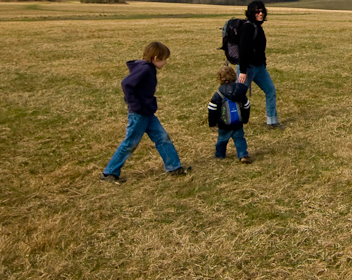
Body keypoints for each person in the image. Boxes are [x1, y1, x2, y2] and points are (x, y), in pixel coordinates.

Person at [101, 41, 190, 182]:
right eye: (164, 59)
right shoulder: (145, 69)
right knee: (130, 143)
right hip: (139, 114)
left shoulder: (149, 68)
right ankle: (110, 173)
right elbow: (126, 84)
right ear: (155, 58)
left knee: (162, 138)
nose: (165, 62)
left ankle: (174, 167)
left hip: (148, 112)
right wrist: (135, 105)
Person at [236, 1, 282, 128]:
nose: (260, 14)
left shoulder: (258, 27)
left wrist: (263, 63)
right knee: (236, 95)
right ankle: (228, 121)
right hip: (247, 68)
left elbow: (260, 49)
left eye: (262, 11)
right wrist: (243, 71)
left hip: (259, 68)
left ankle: (272, 121)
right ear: (252, 13)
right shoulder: (248, 28)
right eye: (257, 11)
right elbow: (242, 50)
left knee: (270, 90)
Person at [207, 64, 252, 163]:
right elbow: (246, 106)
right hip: (237, 123)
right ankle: (243, 155)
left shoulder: (218, 94)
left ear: (219, 79)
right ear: (234, 76)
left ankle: (220, 155)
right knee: (240, 139)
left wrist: (212, 123)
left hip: (223, 124)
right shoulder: (240, 93)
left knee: (222, 140)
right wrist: (245, 119)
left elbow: (212, 109)